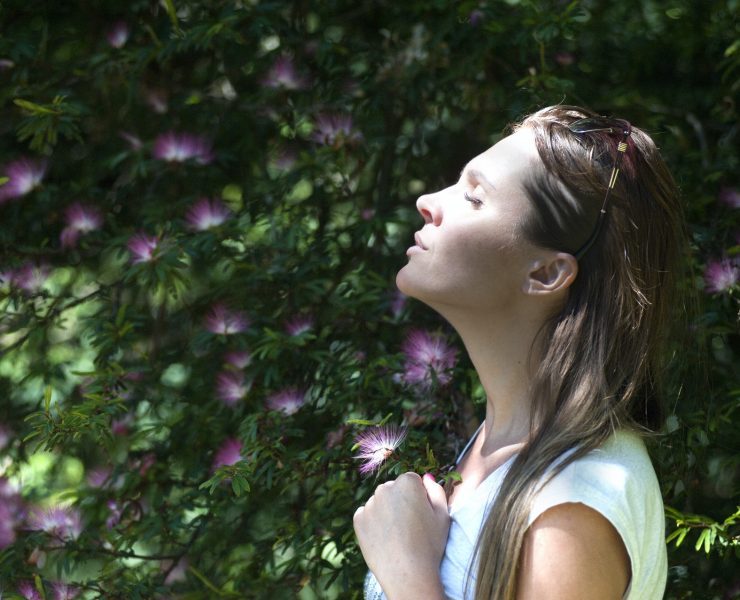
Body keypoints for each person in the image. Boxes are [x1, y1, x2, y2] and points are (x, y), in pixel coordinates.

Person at [353, 105, 685, 600]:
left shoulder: (573, 505)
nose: (427, 201)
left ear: (546, 274)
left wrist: (406, 573)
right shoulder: (500, 447)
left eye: (474, 197)